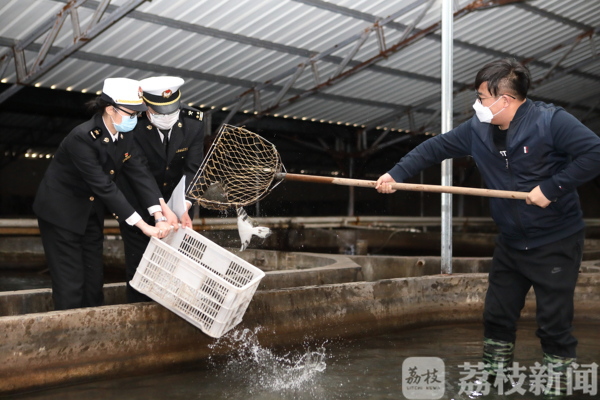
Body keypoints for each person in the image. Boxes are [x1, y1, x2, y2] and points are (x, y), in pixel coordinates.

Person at [375, 58, 600, 396]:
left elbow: (595, 153)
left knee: (554, 324)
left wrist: (552, 188)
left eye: (481, 97)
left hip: (555, 240)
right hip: (511, 242)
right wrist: (396, 174)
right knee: (497, 315)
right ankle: (495, 380)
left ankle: (558, 387)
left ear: (505, 100)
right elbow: (435, 148)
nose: (477, 105)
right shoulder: (477, 130)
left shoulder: (551, 122)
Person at [33, 77, 175, 311]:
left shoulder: (125, 134)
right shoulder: (83, 137)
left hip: (90, 213)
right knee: (70, 284)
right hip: (61, 214)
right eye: (132, 113)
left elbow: (139, 171)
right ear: (110, 109)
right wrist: (144, 226)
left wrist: (159, 213)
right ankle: (69, 340)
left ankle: (93, 338)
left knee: (93, 281)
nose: (135, 118)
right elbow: (104, 186)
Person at [117, 76, 204, 303]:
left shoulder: (193, 123)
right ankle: (139, 311)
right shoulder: (132, 127)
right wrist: (159, 210)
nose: (167, 117)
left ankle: (171, 309)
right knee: (140, 263)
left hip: (178, 204)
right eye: (160, 112)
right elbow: (139, 173)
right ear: (146, 107)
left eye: (171, 111)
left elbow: (193, 169)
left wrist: (184, 207)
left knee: (175, 261)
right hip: (141, 202)